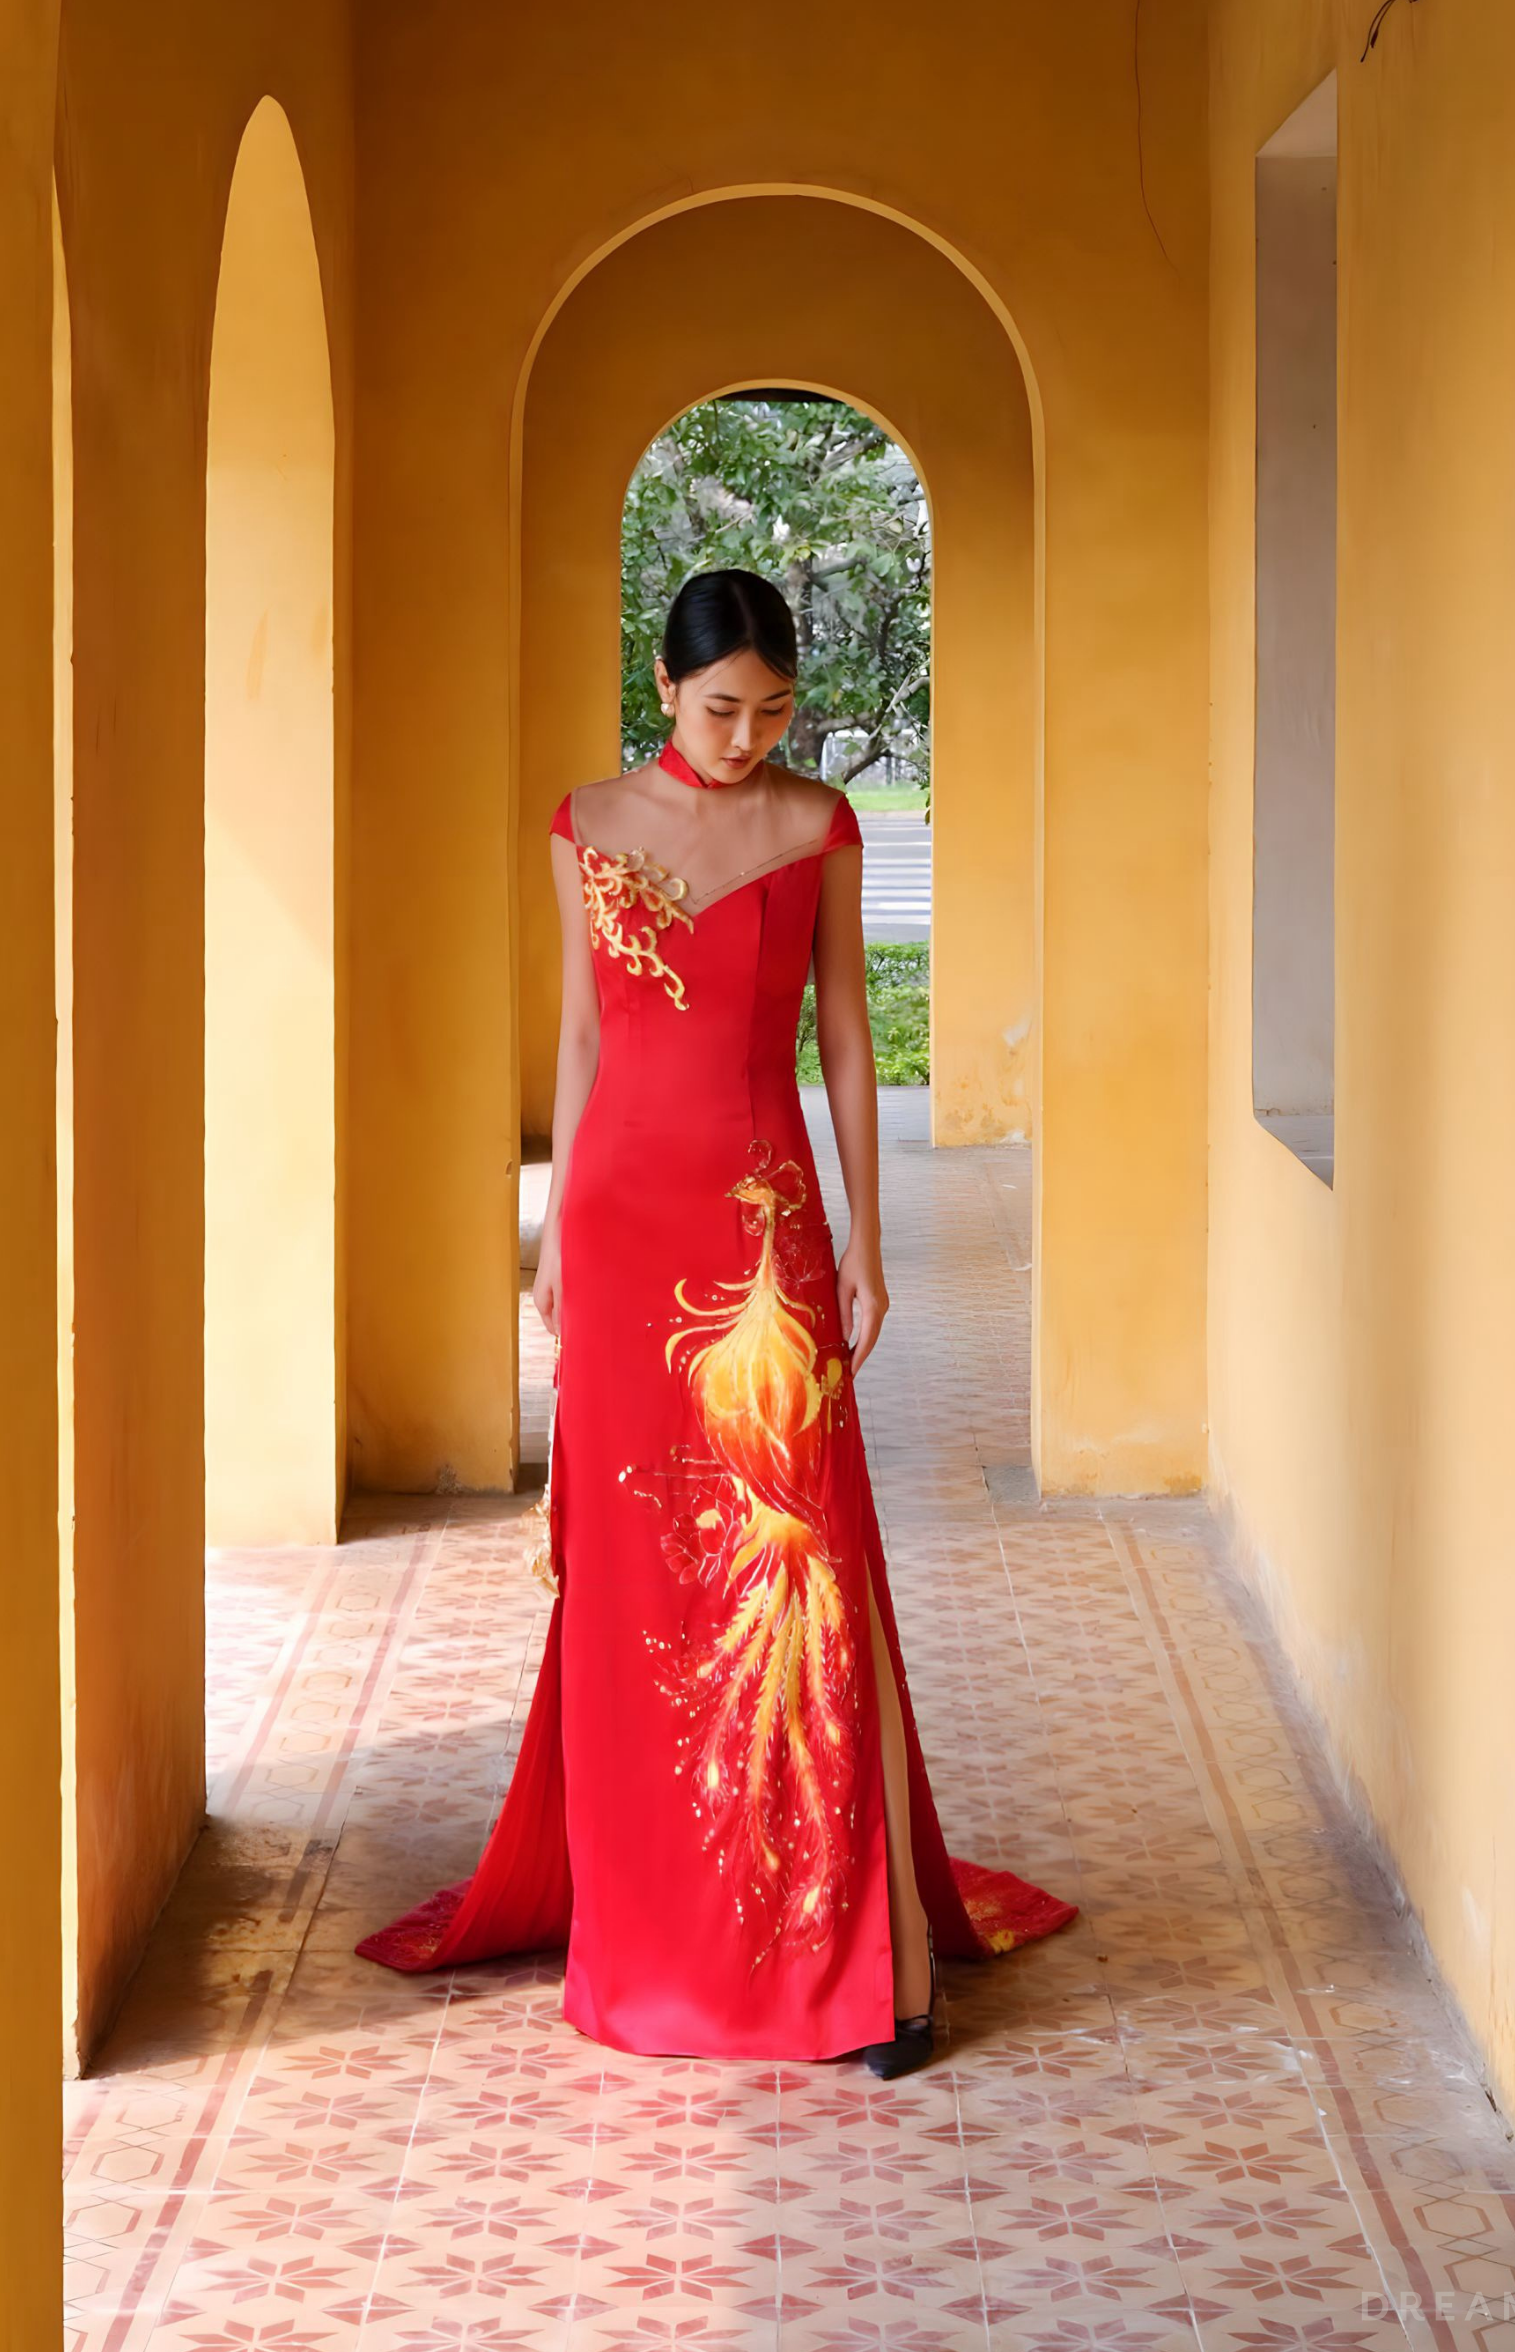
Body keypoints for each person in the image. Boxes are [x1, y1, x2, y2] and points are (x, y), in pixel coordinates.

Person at [360, 568, 1071, 2071]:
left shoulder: (817, 827)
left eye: (774, 711)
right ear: (667, 691)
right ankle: (661, 1921)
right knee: (635, 1569)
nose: (748, 736)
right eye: (721, 708)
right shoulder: (584, 826)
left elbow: (851, 1039)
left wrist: (869, 1238)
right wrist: (553, 1233)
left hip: (762, 1233)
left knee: (805, 1553)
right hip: (621, 1230)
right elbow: (575, 1035)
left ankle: (879, 1960)